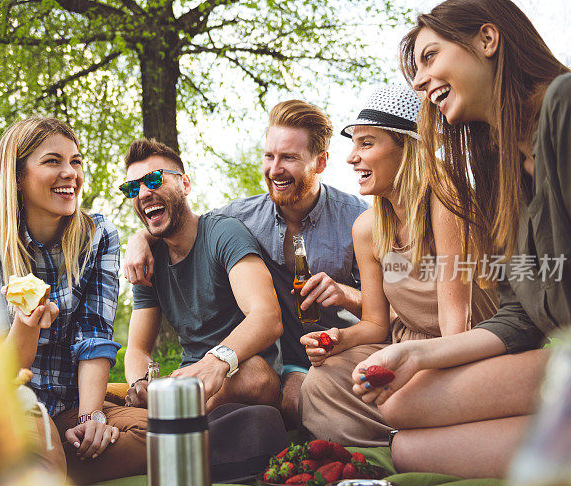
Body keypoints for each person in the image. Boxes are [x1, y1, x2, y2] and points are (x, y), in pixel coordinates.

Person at [351, 0, 571, 478]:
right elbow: (520, 316)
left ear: (487, 41)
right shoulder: (503, 169)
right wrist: (417, 353)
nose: (421, 82)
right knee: (405, 433)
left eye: (429, 57)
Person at [124, 101, 368, 427]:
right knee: (293, 403)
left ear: (320, 162)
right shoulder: (241, 216)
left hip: (346, 345)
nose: (275, 168)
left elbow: (390, 309)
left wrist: (344, 294)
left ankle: (171, 420)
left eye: (289, 158)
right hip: (293, 360)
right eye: (269, 156)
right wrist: (140, 239)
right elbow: (184, 224)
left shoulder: (358, 218)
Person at [298, 85, 497, 447]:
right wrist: (337, 341)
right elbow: (375, 324)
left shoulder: (448, 200)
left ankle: (423, 437)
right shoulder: (367, 228)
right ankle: (409, 438)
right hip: (404, 345)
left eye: (367, 143)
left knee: (401, 397)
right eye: (353, 144)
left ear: (407, 149)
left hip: (464, 351)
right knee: (320, 383)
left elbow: (458, 322)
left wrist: (416, 371)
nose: (351, 157)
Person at [0, 117, 147, 485]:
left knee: (173, 436)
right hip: (12, 402)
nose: (70, 173)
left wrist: (91, 419)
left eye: (75, 161)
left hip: (73, 404)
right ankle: (43, 456)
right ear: (18, 176)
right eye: (52, 161)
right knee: (44, 468)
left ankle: (59, 449)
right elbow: (0, 376)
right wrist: (26, 325)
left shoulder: (98, 235)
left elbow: (94, 335)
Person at [121, 138, 283, 413]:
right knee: (104, 399)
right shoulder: (146, 259)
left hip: (243, 369)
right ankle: (173, 416)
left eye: (154, 179)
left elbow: (267, 317)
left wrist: (216, 361)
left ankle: (178, 419)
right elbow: (137, 349)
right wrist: (140, 383)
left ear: (185, 184)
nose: (144, 193)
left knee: (254, 374)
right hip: (188, 381)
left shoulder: (223, 233)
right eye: (133, 187)